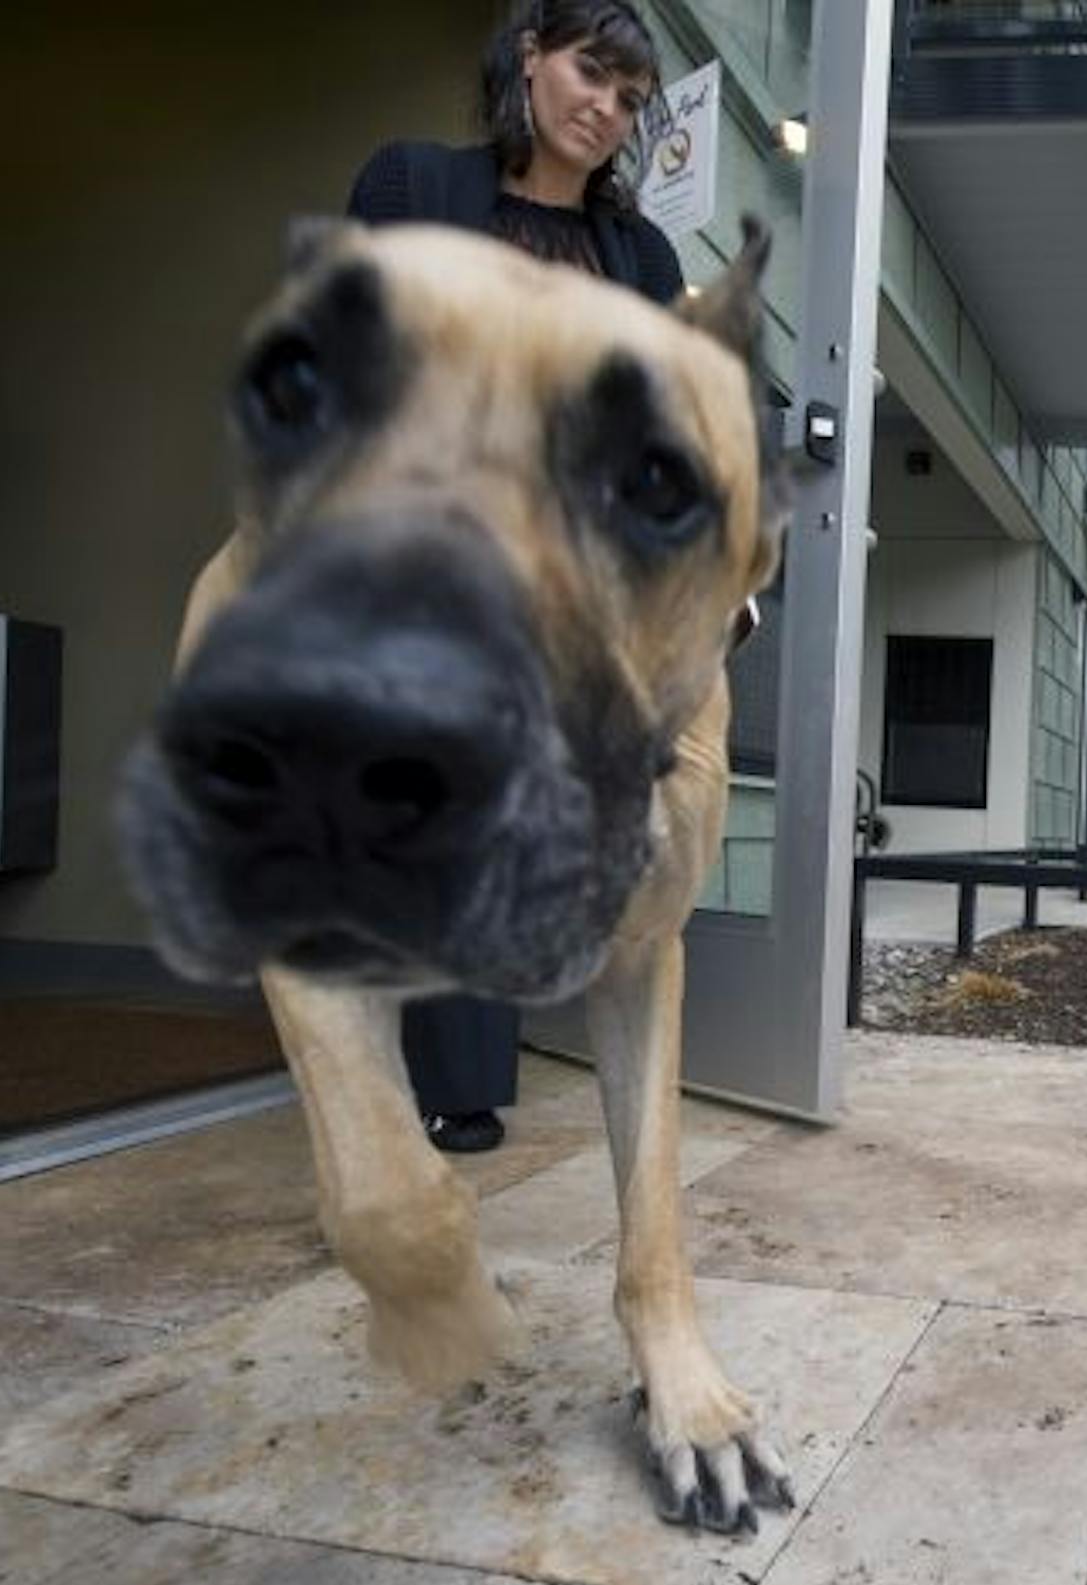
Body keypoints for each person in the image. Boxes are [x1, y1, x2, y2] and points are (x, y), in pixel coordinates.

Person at [347, 0, 683, 1152]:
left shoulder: (640, 255)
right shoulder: (414, 185)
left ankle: (460, 1048)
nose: (607, 108)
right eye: (594, 72)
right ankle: (453, 1072)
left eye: (632, 98)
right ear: (531, 56)